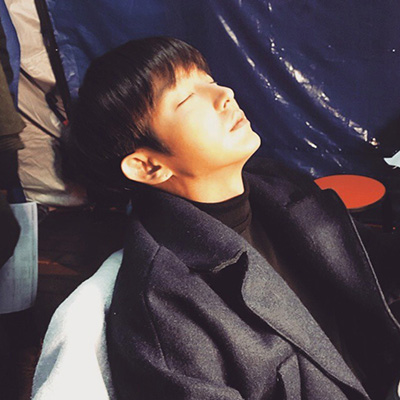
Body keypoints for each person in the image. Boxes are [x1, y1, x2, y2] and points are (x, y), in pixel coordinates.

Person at [68, 37, 400, 400]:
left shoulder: (278, 186)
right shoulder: (167, 310)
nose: (224, 94)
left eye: (209, 80)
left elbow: (371, 265)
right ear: (148, 166)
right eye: (186, 98)